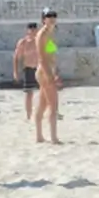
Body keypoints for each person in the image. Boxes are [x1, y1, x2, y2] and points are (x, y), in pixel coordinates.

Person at [33, 9, 61, 143]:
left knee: (43, 104)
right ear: (43, 19)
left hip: (49, 70)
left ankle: (39, 136)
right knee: (53, 105)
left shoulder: (50, 33)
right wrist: (50, 75)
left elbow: (52, 55)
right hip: (45, 71)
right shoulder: (42, 34)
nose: (52, 18)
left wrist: (56, 71)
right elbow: (41, 58)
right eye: (49, 16)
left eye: (53, 16)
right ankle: (54, 137)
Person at [12, 23, 39, 121]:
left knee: (46, 91)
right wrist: (15, 72)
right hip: (28, 69)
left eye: (34, 29)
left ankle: (51, 112)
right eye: (31, 29)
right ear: (27, 30)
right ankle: (29, 115)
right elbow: (16, 58)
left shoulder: (40, 40)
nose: (33, 31)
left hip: (40, 69)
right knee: (29, 93)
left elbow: (52, 51)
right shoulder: (23, 42)